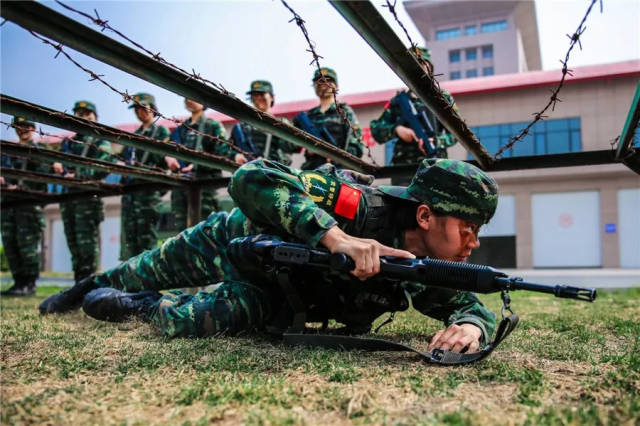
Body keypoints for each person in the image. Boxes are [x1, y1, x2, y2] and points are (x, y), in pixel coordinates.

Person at [39, 158, 498, 354]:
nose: (472, 243)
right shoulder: (353, 204)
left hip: (275, 294)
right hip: (233, 241)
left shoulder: (422, 270)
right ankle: (85, 287)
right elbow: (253, 178)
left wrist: (471, 326)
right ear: (423, 216)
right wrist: (338, 239)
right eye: (468, 229)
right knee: (138, 270)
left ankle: (129, 305)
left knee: (193, 321)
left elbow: (467, 304)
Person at [370, 47, 457, 184]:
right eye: (413, 63)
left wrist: (437, 141)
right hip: (404, 169)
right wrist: (397, 130)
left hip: (436, 166)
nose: (419, 67)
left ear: (430, 67)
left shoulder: (442, 97)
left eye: (422, 63)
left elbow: (457, 132)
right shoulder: (399, 100)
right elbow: (376, 129)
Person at [51, 101, 113, 284]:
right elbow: (59, 163)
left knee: (87, 243)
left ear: (95, 116)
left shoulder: (100, 140)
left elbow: (103, 167)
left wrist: (75, 174)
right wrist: (58, 167)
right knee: (73, 241)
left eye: (87, 113)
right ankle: (78, 281)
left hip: (88, 197)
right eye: (79, 113)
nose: (83, 116)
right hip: (70, 197)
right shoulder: (68, 142)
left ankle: (88, 283)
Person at [165, 98, 246, 231]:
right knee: (180, 233)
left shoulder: (212, 126)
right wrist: (169, 159)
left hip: (204, 188)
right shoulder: (180, 129)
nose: (190, 100)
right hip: (180, 188)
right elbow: (168, 150)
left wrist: (197, 165)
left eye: (194, 97)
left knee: (204, 232)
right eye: (187, 97)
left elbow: (222, 152)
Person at [119, 93, 172, 260]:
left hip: (148, 192)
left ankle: (148, 282)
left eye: (143, 108)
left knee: (147, 238)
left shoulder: (160, 131)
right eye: (136, 109)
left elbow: (163, 158)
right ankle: (131, 282)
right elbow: (123, 157)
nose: (140, 112)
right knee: (130, 239)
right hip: (131, 193)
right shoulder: (134, 135)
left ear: (153, 109)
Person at [0, 117, 47, 296]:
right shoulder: (7, 152)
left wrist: (20, 186)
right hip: (8, 205)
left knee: (27, 246)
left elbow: (43, 177)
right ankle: (18, 283)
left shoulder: (40, 151)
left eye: (26, 126)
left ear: (33, 128)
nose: (22, 130)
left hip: (29, 205)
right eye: (18, 127)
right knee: (11, 244)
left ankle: (30, 284)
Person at [293, 67, 363, 170]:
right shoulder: (309, 116)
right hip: (312, 169)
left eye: (327, 81)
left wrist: (338, 156)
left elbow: (356, 145)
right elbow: (292, 145)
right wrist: (309, 147)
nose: (323, 85)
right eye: (319, 82)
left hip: (339, 169)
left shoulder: (344, 111)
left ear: (336, 86)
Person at [229, 80, 297, 165]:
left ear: (272, 97)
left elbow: (290, 149)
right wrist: (235, 156)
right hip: (248, 173)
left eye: (262, 94)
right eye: (255, 95)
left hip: (276, 172)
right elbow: (226, 149)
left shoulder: (281, 123)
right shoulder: (240, 128)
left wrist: (268, 161)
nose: (258, 98)